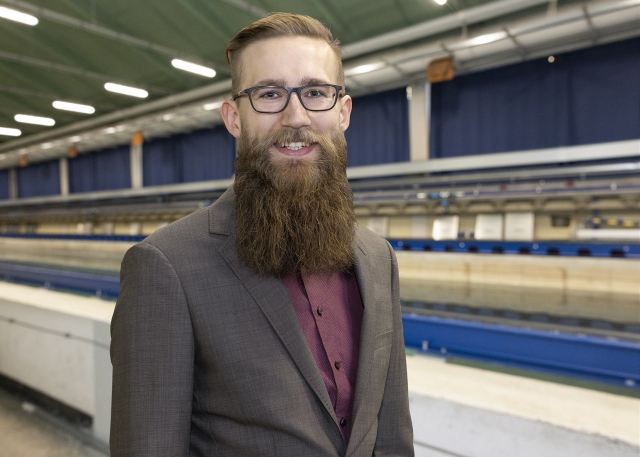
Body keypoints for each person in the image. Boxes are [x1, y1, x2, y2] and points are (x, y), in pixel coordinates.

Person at [110, 12, 413, 457]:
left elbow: (391, 437)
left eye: (315, 92)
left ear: (343, 111)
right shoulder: (167, 267)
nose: (296, 116)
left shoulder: (377, 258)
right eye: (269, 94)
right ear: (234, 117)